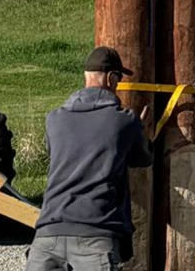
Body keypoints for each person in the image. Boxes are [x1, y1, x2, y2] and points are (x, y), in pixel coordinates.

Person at [28, 44, 152, 271]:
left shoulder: (54, 119)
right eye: (117, 81)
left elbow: (58, 153)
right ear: (111, 79)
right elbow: (143, 158)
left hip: (47, 236)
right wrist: (140, 131)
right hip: (96, 236)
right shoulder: (124, 121)